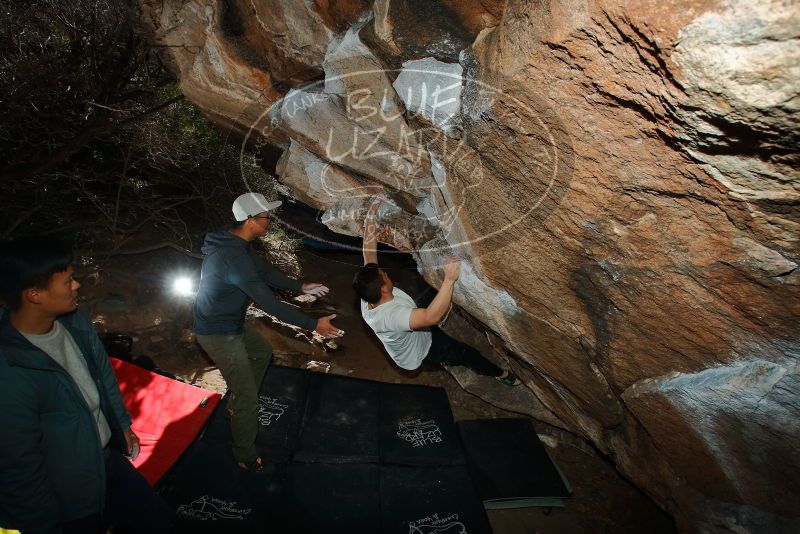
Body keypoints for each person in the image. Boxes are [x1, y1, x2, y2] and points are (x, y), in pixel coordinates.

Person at [0, 236, 172, 534]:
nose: (77, 285)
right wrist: (43, 525)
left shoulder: (75, 321)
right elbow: (19, 464)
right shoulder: (11, 369)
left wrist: (121, 425)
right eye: (67, 281)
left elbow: (103, 376)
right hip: (67, 493)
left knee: (158, 522)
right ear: (35, 294)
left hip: (105, 460)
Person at [193, 192, 344, 472]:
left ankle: (238, 399)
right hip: (217, 332)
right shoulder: (233, 259)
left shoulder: (238, 241)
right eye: (266, 216)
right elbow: (270, 305)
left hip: (229, 322)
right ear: (250, 220)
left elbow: (265, 273)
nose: (269, 220)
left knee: (262, 352)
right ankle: (245, 455)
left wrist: (301, 286)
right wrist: (314, 325)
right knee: (250, 397)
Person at [353, 197, 521, 386]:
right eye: (384, 275)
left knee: (427, 292)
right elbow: (430, 317)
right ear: (383, 289)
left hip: (414, 323)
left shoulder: (369, 290)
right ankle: (501, 374)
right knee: (465, 353)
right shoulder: (391, 317)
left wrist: (371, 213)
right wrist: (449, 280)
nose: (386, 273)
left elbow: (368, 252)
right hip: (423, 349)